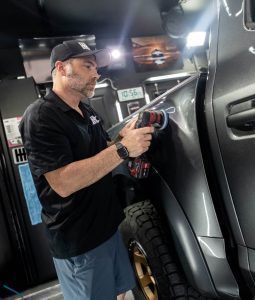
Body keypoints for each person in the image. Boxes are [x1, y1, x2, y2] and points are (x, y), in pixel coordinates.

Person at [19, 40, 154, 300]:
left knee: (123, 294)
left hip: (108, 228)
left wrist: (121, 140)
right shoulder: (41, 116)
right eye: (88, 66)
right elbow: (63, 182)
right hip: (80, 242)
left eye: (96, 67)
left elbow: (101, 150)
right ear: (61, 68)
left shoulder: (86, 110)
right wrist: (123, 150)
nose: (96, 73)